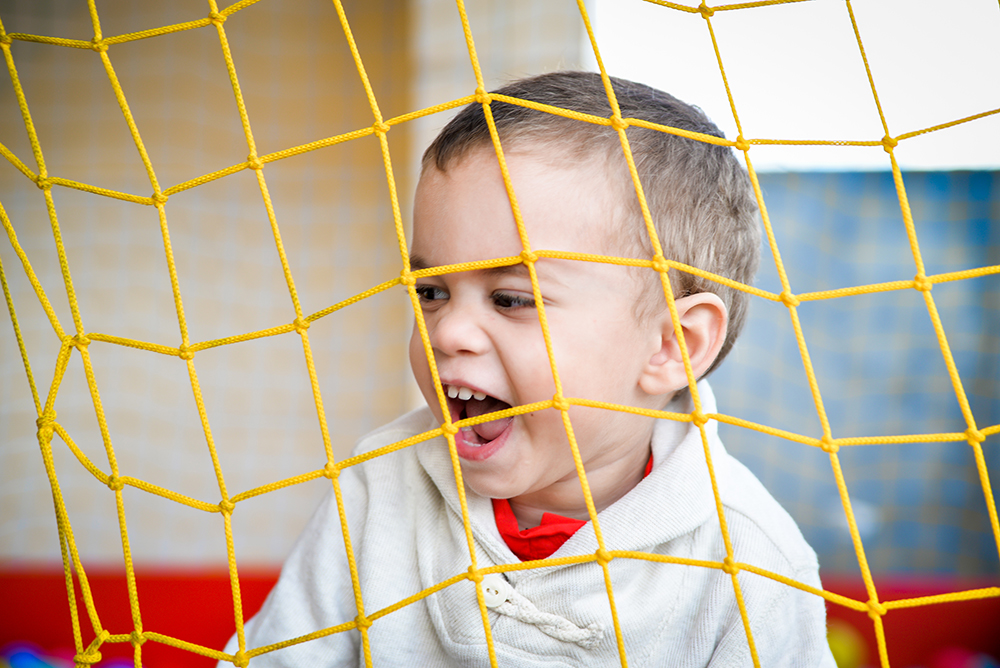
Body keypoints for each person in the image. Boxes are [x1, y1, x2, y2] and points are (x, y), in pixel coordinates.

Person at [222, 71, 835, 667]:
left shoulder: (750, 561)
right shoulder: (380, 485)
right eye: (431, 292)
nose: (447, 331)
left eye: (511, 299)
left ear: (672, 345)